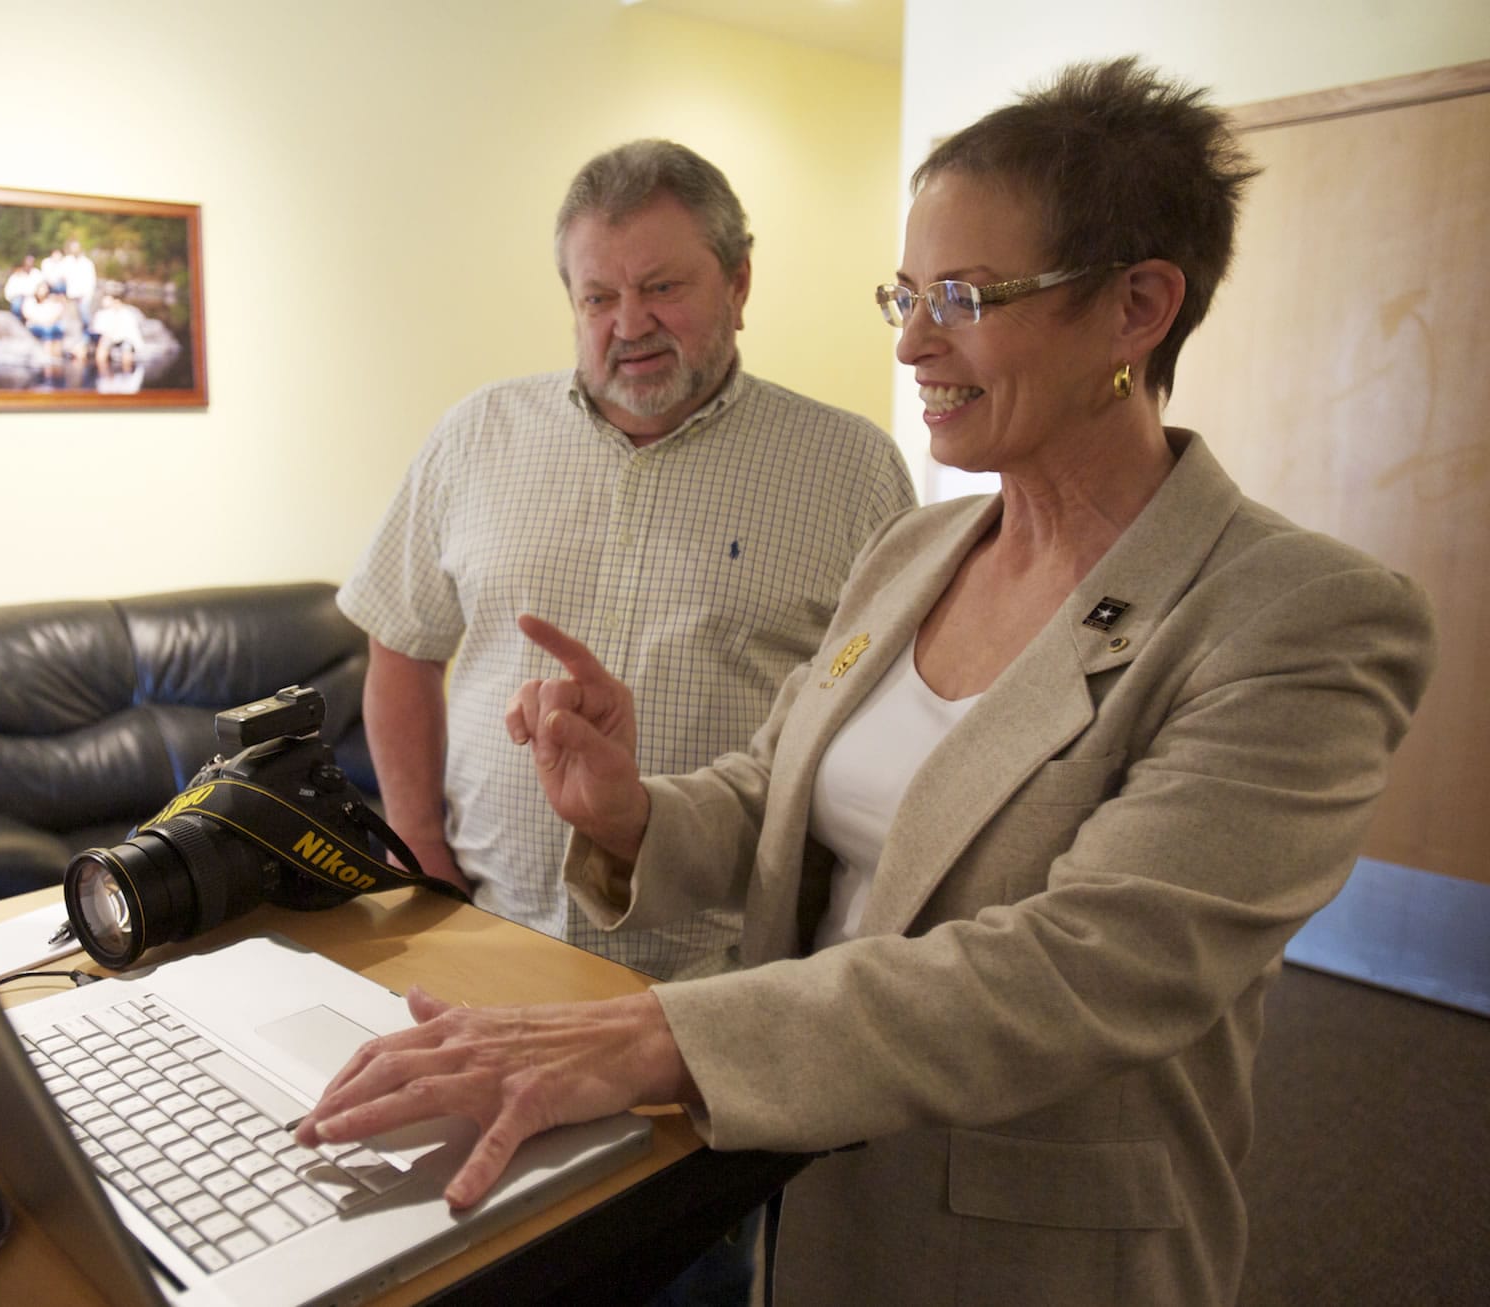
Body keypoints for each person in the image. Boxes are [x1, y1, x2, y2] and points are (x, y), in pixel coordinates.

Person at [297, 59, 1437, 1307]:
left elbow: (1093, 960)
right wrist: (630, 812)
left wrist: (663, 1033)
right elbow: (774, 790)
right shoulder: (920, 550)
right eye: (905, 291)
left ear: (1135, 308)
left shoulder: (1295, 615)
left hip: (1024, 1236)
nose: (909, 340)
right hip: (805, 1174)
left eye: (961, 294)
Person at [337, 139, 915, 985]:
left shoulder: (852, 469)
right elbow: (401, 643)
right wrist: (420, 847)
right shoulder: (475, 436)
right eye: (598, 296)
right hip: (486, 934)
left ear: (739, 283)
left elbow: (884, 726)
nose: (629, 323)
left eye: (662, 288)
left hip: (717, 974)